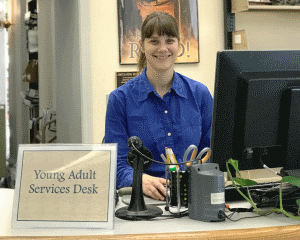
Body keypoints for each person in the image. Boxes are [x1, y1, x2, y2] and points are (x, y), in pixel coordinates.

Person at [105, 11, 213, 201]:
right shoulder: (119, 99)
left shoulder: (200, 95)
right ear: (142, 46)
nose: (163, 48)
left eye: (169, 40)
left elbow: (212, 154)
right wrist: (139, 179)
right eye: (154, 41)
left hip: (194, 196)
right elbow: (116, 164)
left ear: (178, 45)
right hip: (143, 200)